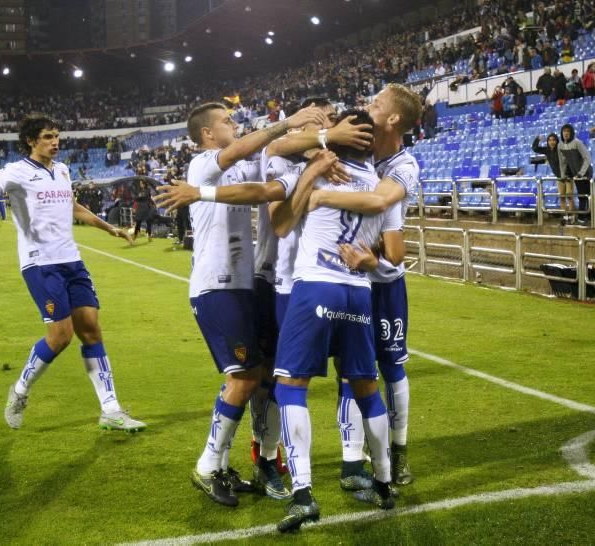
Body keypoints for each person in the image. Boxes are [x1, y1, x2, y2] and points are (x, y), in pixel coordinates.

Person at [0, 113, 146, 433]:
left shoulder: (62, 170)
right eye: (47, 137)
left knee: (91, 329)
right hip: (40, 263)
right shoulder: (16, 171)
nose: (55, 142)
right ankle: (19, 391)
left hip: (71, 261)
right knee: (60, 336)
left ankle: (110, 409)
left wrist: (111, 229)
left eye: (57, 136)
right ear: (31, 140)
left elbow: (74, 207)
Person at [180, 102, 325, 507]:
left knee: (250, 374)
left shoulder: (250, 162)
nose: (235, 124)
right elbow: (244, 151)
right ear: (208, 134)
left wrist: (315, 137)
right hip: (215, 286)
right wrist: (288, 123)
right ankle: (207, 466)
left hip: (243, 286)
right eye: (227, 122)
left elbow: (269, 165)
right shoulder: (203, 165)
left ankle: (227, 462)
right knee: (244, 378)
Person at [272, 110, 403, 532]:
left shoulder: (322, 172)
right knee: (365, 386)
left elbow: (282, 223)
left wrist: (313, 170)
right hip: (359, 292)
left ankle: (304, 493)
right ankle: (384, 481)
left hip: (315, 286)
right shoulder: (384, 186)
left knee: (291, 385)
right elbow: (393, 251)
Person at [307, 83, 424, 489]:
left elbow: (379, 204)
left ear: (393, 118)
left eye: (376, 104)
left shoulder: (404, 166)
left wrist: (323, 198)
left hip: (383, 278)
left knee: (391, 366)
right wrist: (323, 139)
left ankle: (399, 449)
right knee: (352, 369)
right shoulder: (356, 149)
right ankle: (352, 460)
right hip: (348, 277)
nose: (366, 106)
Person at [557, 123, 592, 225]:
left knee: (585, 195)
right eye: (564, 131)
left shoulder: (577, 143)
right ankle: (584, 217)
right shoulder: (560, 145)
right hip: (575, 173)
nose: (566, 133)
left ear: (571, 133)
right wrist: (563, 175)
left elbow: (587, 158)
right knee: (581, 195)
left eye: (568, 131)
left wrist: (581, 173)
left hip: (586, 172)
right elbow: (562, 162)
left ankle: (584, 217)